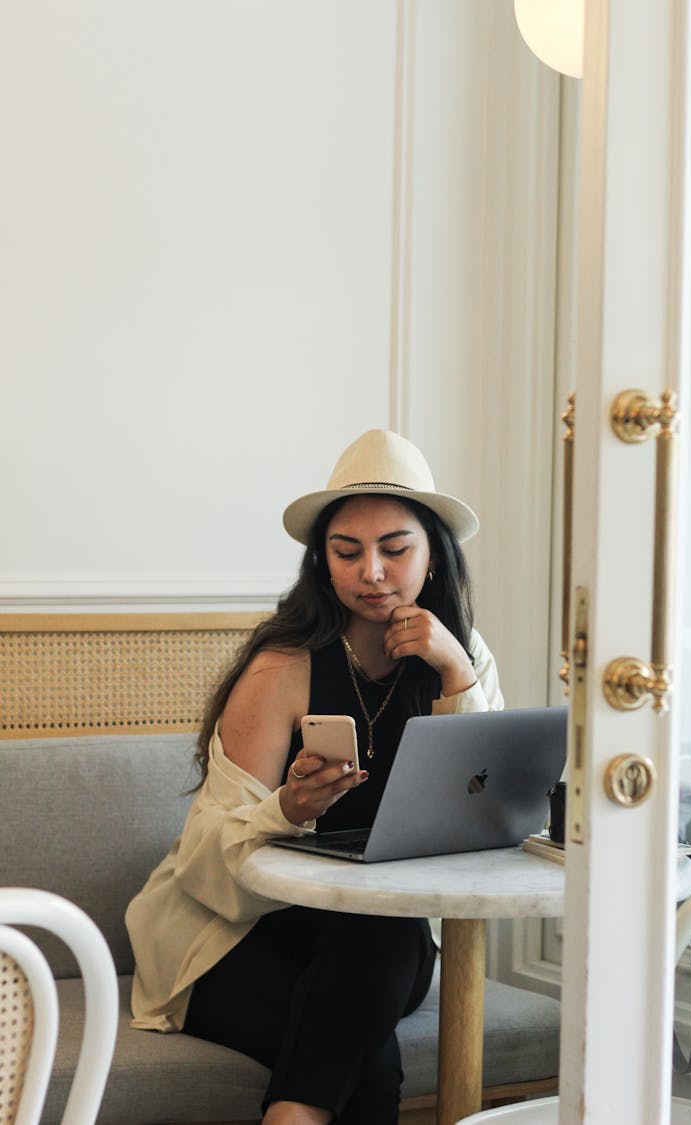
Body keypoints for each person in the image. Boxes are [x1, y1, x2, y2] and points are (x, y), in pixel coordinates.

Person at [126, 428, 503, 1125]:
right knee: (367, 1058)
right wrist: (287, 810)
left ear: (434, 555)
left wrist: (455, 670)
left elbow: (486, 815)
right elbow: (209, 861)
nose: (373, 573)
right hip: (238, 934)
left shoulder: (463, 657)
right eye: (347, 551)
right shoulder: (284, 666)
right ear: (321, 560)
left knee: (378, 924)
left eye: (395, 549)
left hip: (378, 935)